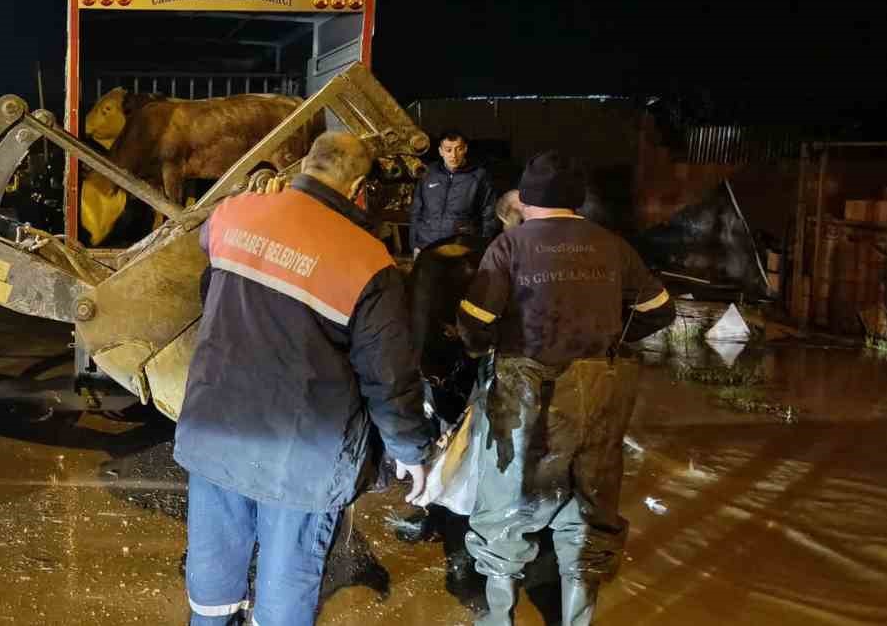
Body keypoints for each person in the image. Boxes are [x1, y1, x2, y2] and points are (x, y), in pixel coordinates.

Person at [175, 131, 435, 626]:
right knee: (286, 584)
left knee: (213, 573)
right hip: (301, 455)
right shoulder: (368, 261)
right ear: (357, 187)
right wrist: (410, 451)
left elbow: (212, 269)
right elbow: (387, 375)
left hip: (216, 430)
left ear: (306, 164)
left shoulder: (232, 214)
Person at [455, 152, 675, 626]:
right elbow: (660, 310)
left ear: (526, 197)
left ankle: (499, 619)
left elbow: (474, 324)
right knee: (590, 507)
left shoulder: (509, 246)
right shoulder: (612, 246)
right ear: (576, 199)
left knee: (506, 507)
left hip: (526, 392)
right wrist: (614, 339)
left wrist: (484, 348)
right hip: (601, 391)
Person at [410, 131, 500, 254]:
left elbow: (489, 215)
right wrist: (414, 245)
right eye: (448, 150)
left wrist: (481, 246)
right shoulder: (428, 173)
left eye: (459, 149)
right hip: (427, 245)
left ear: (465, 149)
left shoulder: (479, 177)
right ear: (440, 151)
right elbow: (416, 210)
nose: (453, 155)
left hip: (460, 247)